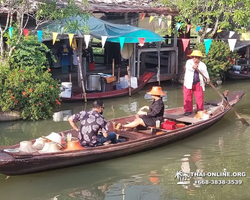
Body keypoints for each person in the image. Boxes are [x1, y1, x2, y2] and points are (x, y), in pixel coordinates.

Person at [183, 50, 210, 116]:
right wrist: (193, 67)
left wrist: (207, 78)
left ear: (199, 58)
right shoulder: (189, 62)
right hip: (188, 83)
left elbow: (205, 73)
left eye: (196, 57)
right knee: (187, 97)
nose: (194, 58)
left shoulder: (202, 65)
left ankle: (200, 109)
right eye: (193, 57)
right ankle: (188, 110)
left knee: (199, 96)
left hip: (198, 82)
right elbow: (189, 68)